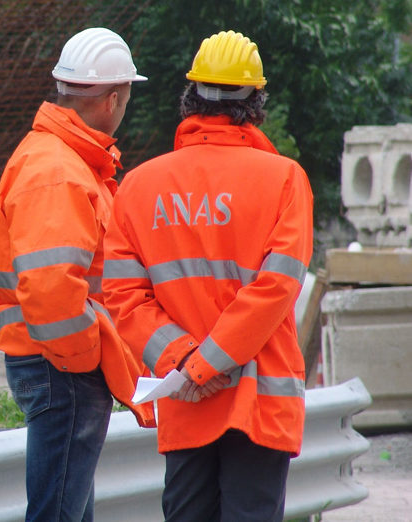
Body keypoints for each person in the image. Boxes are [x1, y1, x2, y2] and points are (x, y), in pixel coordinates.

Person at [102, 30, 313, 521]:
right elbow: (275, 290)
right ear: (256, 102)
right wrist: (207, 365)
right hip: (258, 402)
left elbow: (123, 297)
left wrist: (185, 363)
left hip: (185, 400)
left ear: (190, 97)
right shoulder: (285, 180)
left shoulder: (138, 187)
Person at [0, 27, 155, 522]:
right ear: (113, 99)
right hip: (63, 367)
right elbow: (52, 290)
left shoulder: (62, 161)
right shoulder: (59, 171)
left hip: (57, 363)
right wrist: (86, 359)